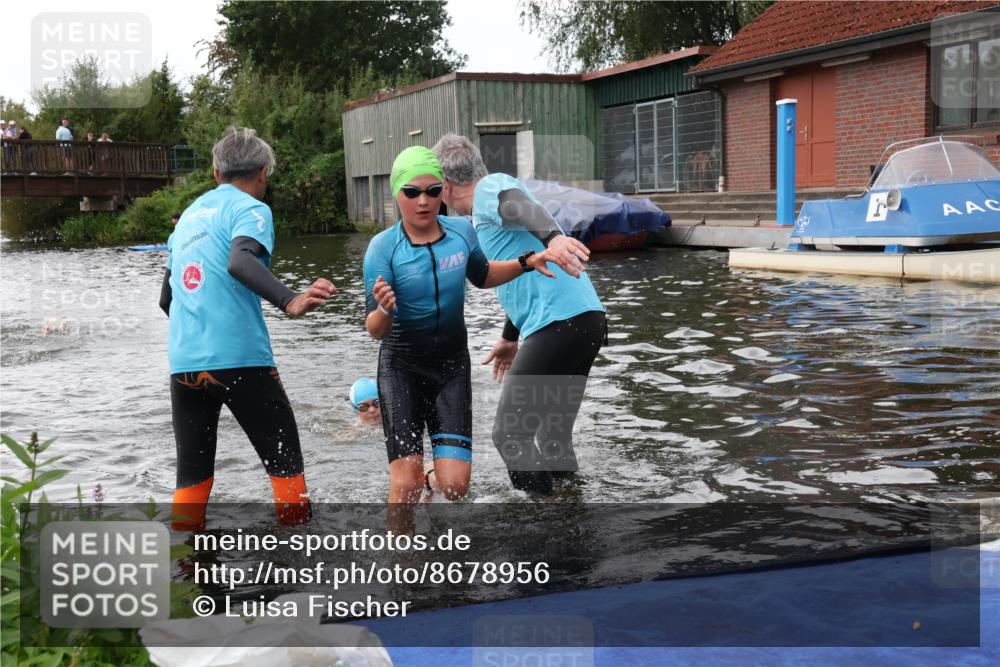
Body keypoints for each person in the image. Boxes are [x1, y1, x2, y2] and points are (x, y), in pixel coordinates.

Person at [363, 146, 565, 531]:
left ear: (444, 190)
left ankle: (428, 478)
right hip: (401, 368)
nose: (424, 201)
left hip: (451, 368)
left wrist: (525, 263)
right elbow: (374, 329)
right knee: (403, 482)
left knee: (455, 488)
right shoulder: (382, 248)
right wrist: (385, 310)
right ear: (397, 194)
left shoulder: (462, 232)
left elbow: (483, 275)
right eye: (412, 192)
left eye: (432, 191)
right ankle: (402, 557)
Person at [161, 126, 337, 530]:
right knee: (285, 465)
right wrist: (290, 299)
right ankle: (298, 552)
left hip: (184, 365)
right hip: (241, 360)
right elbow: (240, 261)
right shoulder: (250, 209)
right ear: (263, 173)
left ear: (216, 174)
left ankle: (185, 560)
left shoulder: (186, 220)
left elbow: (167, 299)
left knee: (192, 477)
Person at [432, 134, 607, 496]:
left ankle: (542, 517)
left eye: (433, 187)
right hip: (585, 320)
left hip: (560, 323)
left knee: (510, 435)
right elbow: (523, 272)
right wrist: (510, 337)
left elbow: (513, 201)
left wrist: (553, 238)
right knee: (553, 436)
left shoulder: (488, 188)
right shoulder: (483, 215)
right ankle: (569, 510)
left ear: (446, 184)